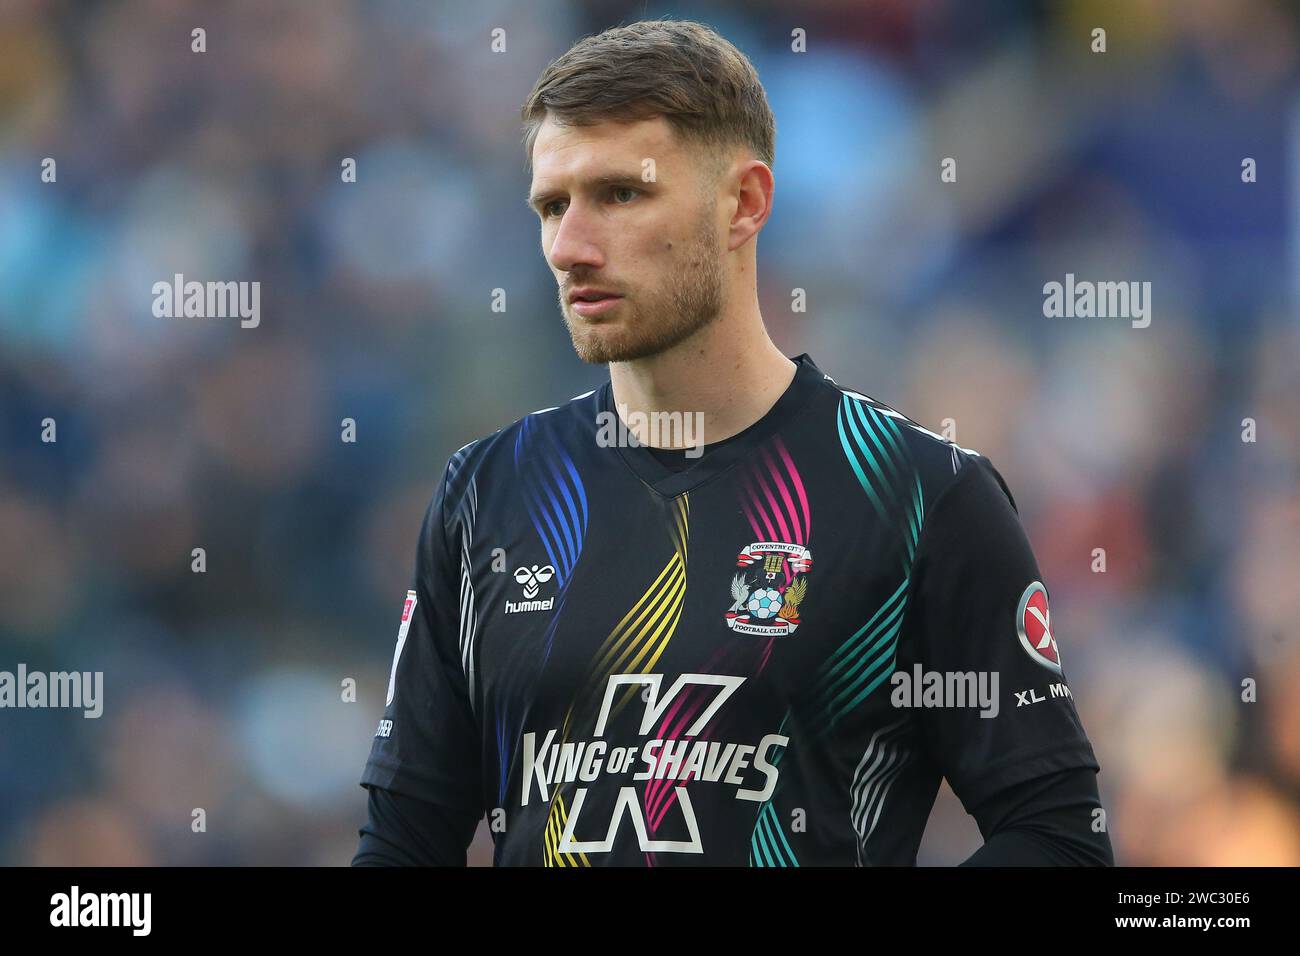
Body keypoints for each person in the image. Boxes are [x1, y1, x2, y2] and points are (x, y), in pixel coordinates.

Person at [352, 19, 1111, 866]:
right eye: (551, 205)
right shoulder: (486, 493)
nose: (569, 247)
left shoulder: (920, 496)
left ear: (744, 204)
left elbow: (1058, 836)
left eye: (620, 195)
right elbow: (402, 840)